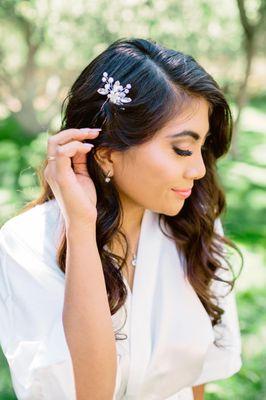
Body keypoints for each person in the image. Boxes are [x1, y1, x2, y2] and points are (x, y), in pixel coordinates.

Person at [0, 37, 242, 400]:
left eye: (202, 148)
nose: (198, 169)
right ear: (107, 155)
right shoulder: (27, 243)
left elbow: (196, 382)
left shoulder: (193, 224)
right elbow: (91, 393)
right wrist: (81, 228)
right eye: (182, 149)